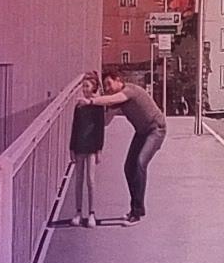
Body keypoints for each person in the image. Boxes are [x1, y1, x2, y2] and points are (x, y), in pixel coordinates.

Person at [114, 67, 168, 222]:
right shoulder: (118, 100)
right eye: (105, 86)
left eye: (109, 84)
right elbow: (105, 120)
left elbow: (111, 99)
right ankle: (137, 207)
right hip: (142, 132)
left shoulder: (129, 90)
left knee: (140, 163)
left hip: (156, 130)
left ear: (118, 80)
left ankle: (136, 212)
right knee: (128, 167)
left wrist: (92, 100)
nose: (108, 88)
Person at [64, 74, 113, 225]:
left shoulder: (98, 106)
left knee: (90, 181)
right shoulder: (79, 106)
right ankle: (78, 212)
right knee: (78, 180)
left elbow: (100, 129)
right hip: (79, 146)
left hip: (91, 147)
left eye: (87, 86)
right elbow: (74, 127)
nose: (84, 89)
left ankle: (92, 213)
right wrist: (71, 147)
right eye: (83, 86)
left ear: (94, 87)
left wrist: (99, 149)